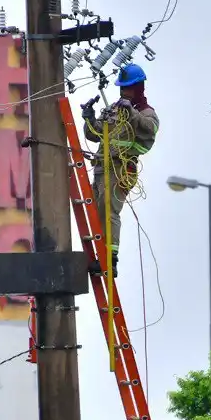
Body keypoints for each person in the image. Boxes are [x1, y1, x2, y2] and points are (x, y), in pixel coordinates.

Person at [81, 62, 159, 278]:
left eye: (128, 88)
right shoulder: (114, 109)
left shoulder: (145, 112)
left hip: (120, 169)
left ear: (138, 88)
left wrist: (131, 112)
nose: (124, 92)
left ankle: (110, 261)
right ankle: (97, 256)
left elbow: (149, 130)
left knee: (109, 210)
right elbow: (95, 134)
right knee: (95, 212)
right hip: (100, 167)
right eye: (122, 88)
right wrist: (89, 118)